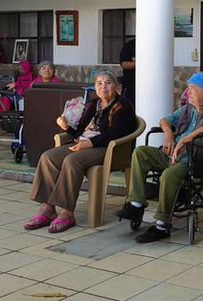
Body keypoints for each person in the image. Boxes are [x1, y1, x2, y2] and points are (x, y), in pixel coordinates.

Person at [25, 71, 135, 233]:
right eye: (99, 83)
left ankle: (67, 212)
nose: (103, 86)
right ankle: (47, 208)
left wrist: (89, 143)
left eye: (108, 83)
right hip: (83, 144)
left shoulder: (123, 105)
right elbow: (78, 133)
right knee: (48, 157)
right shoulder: (92, 104)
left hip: (107, 148)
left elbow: (116, 133)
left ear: (117, 87)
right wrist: (67, 127)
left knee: (72, 160)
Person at [128, 73, 203, 243]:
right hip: (175, 153)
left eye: (192, 88)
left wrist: (186, 138)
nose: (188, 92)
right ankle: (136, 204)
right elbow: (165, 120)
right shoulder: (188, 108)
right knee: (140, 153)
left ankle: (161, 225)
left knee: (168, 175)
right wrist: (169, 134)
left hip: (195, 159)